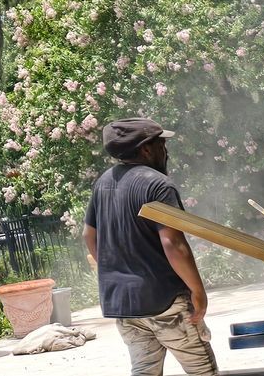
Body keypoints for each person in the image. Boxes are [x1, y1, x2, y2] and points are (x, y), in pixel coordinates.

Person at [83, 118, 217, 376]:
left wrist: (118, 271)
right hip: (164, 301)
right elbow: (173, 243)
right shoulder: (157, 184)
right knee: (202, 371)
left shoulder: (103, 183)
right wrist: (197, 290)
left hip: (125, 306)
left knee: (144, 371)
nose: (165, 151)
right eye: (161, 144)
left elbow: (89, 235)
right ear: (146, 149)